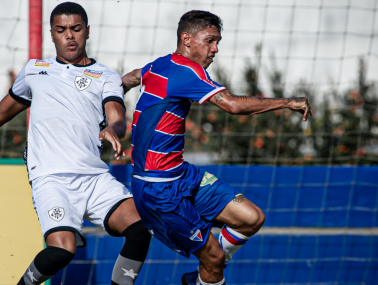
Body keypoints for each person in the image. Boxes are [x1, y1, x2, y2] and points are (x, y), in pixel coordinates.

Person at [0, 3, 151, 285]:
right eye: (61, 30)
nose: (69, 36)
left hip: (93, 178)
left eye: (76, 29)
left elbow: (116, 117)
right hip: (51, 178)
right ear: (52, 34)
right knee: (61, 251)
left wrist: (114, 131)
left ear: (88, 32)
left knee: (141, 228)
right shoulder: (35, 70)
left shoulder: (105, 76)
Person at [121, 10, 313, 285]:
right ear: (186, 39)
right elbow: (232, 105)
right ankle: (208, 269)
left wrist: (107, 109)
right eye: (210, 40)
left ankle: (202, 276)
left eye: (217, 41)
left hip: (181, 174)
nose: (215, 49)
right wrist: (287, 102)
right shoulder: (187, 71)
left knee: (251, 217)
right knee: (213, 258)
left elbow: (128, 78)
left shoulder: (159, 65)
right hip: (158, 188)